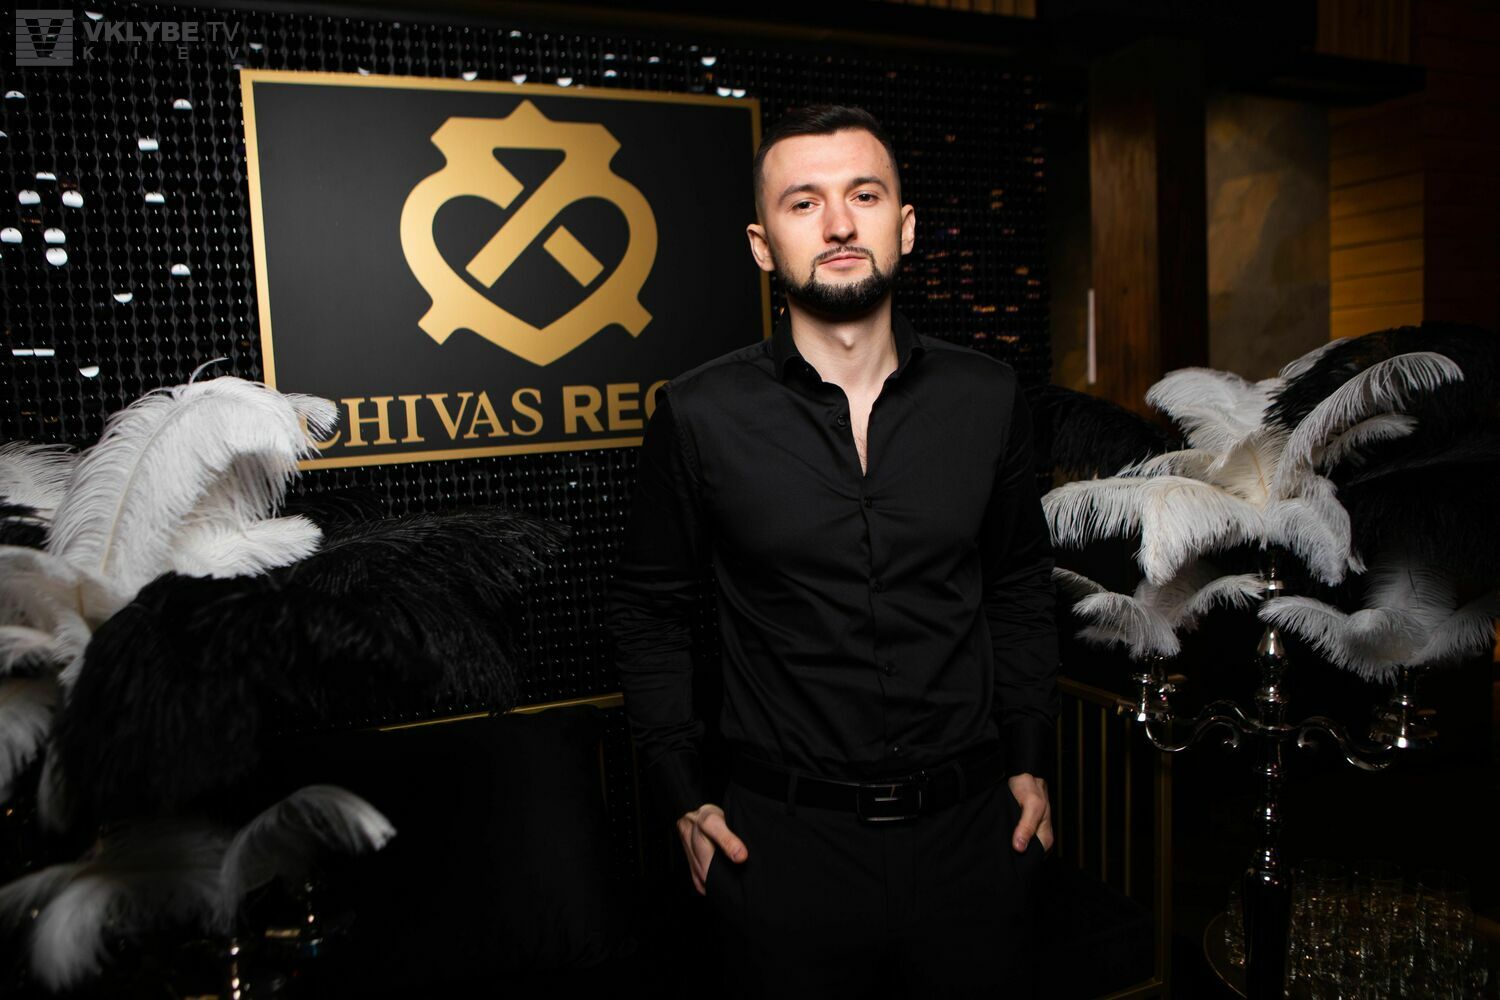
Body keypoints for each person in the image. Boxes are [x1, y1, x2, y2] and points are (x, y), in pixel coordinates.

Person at [606, 104, 1059, 998]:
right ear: (762, 244)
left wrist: (1031, 756)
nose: (840, 223)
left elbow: (1017, 584)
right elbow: (649, 611)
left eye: (865, 195)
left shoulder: (988, 396)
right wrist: (682, 794)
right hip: (783, 852)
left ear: (906, 226)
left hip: (974, 836)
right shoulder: (698, 414)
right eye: (804, 202)